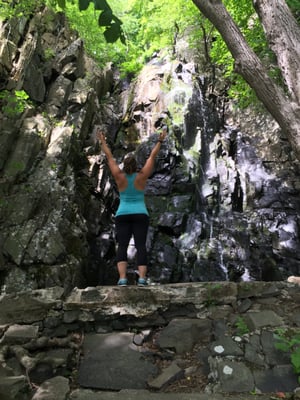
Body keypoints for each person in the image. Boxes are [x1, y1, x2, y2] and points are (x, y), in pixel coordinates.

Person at [97, 126, 168, 286]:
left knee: (122, 246)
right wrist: (160, 140)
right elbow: (152, 156)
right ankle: (142, 279)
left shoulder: (119, 176)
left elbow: (109, 157)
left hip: (123, 214)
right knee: (141, 246)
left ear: (124, 165)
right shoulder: (142, 176)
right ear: (136, 165)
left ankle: (122, 278)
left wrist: (102, 141)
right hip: (140, 214)